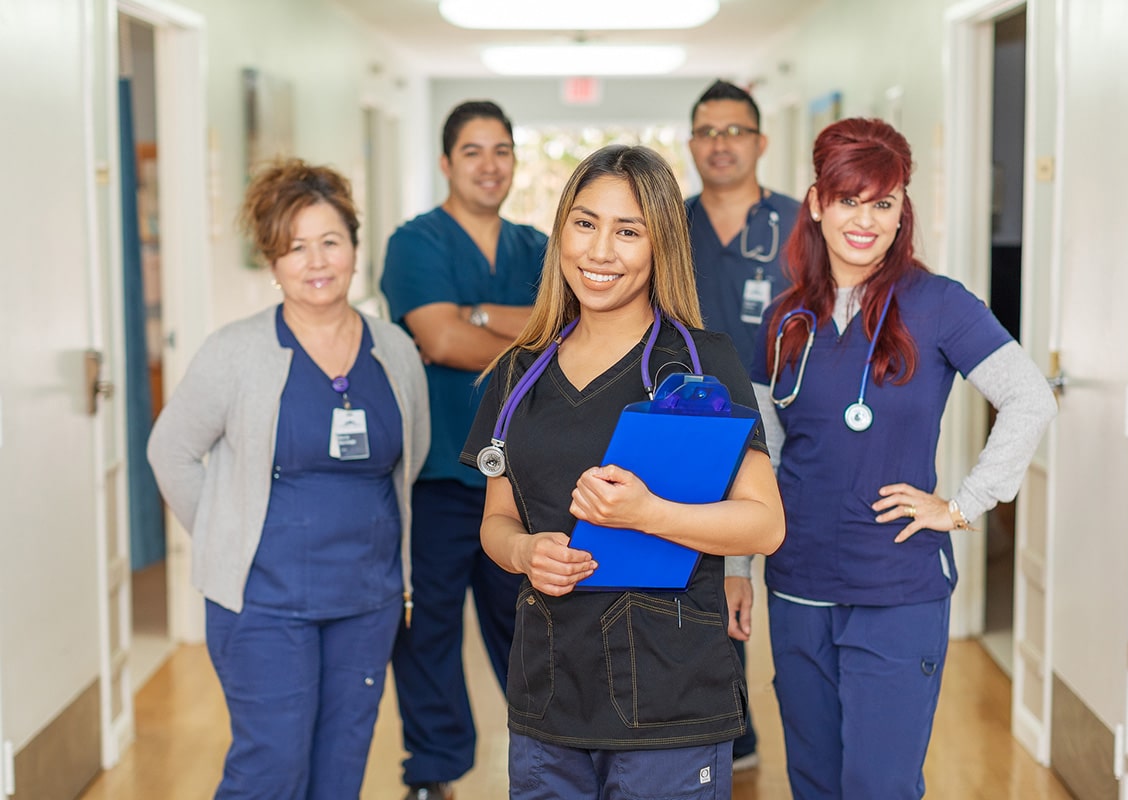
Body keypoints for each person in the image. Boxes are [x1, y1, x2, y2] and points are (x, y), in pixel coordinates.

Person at [461, 144, 786, 799]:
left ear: (660, 244)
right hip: (549, 692)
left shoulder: (700, 365)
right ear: (560, 234)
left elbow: (765, 525)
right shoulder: (519, 373)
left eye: (628, 231)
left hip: (671, 692)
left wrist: (647, 515)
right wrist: (524, 550)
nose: (600, 251)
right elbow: (496, 522)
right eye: (585, 224)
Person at [750, 118, 1057, 799]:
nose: (865, 219)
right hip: (796, 583)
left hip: (895, 586)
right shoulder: (785, 320)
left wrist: (962, 506)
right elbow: (761, 453)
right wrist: (742, 567)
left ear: (900, 213)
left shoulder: (939, 304)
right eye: (849, 199)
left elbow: (1031, 398)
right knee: (813, 780)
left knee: (878, 784)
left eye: (883, 202)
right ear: (817, 203)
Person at [147, 158, 430, 799]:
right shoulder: (234, 351)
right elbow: (170, 452)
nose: (316, 261)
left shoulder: (396, 350)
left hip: (368, 598)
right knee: (270, 770)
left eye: (331, 241)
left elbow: (408, 458)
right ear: (272, 262)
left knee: (340, 771)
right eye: (295, 247)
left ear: (355, 248)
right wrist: (229, 530)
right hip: (262, 604)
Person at [380, 100, 546, 800]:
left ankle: (547, 762)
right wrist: (525, 337)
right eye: (473, 151)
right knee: (427, 631)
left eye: (501, 150)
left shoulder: (538, 246)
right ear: (446, 163)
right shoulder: (415, 242)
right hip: (438, 473)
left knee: (533, 627)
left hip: (528, 478)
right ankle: (434, 770)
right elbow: (439, 340)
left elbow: (565, 331)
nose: (489, 164)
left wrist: (473, 315)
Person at [685, 77, 802, 772]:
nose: (721, 143)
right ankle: (731, 728)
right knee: (708, 574)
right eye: (707, 131)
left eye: (734, 131)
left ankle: (789, 720)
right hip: (696, 428)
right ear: (692, 144)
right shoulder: (673, 226)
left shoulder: (799, 225)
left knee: (787, 575)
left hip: (794, 427)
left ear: (760, 142)